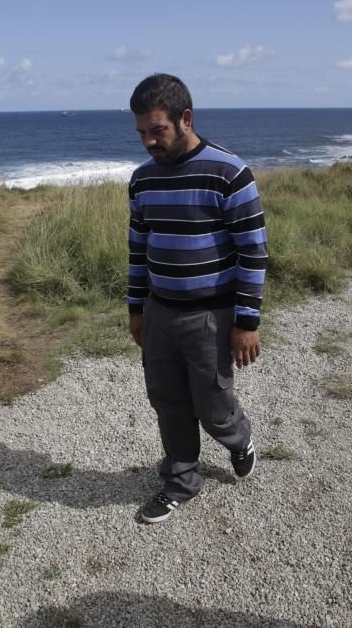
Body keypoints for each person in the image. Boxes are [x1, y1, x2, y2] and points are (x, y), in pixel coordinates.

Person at [126, 73, 268, 523]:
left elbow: (253, 250)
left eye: (157, 130)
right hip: (160, 312)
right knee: (167, 402)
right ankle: (181, 480)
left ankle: (238, 438)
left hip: (211, 314)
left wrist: (247, 322)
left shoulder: (230, 173)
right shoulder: (142, 180)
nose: (149, 141)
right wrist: (136, 310)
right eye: (142, 133)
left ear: (185, 119)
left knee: (213, 407)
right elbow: (137, 249)